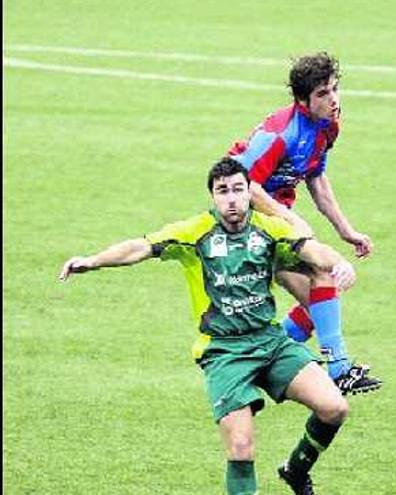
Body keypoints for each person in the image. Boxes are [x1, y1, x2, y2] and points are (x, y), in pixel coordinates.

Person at [59, 158, 356, 495]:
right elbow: (141, 246)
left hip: (272, 342)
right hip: (224, 353)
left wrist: (340, 262)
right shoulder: (196, 232)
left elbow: (312, 250)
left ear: (249, 194)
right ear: (214, 197)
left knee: (335, 408)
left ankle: (295, 470)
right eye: (222, 191)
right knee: (241, 448)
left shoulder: (269, 229)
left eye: (238, 190)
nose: (231, 198)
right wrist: (93, 261)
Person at [227, 51, 381, 394]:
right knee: (323, 278)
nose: (334, 100)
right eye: (323, 94)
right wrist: (290, 220)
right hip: (243, 218)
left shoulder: (328, 126)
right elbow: (241, 184)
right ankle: (339, 369)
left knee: (322, 297)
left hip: (273, 217)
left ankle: (258, 366)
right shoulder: (280, 133)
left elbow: (317, 180)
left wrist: (347, 231)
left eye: (335, 89)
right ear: (302, 100)